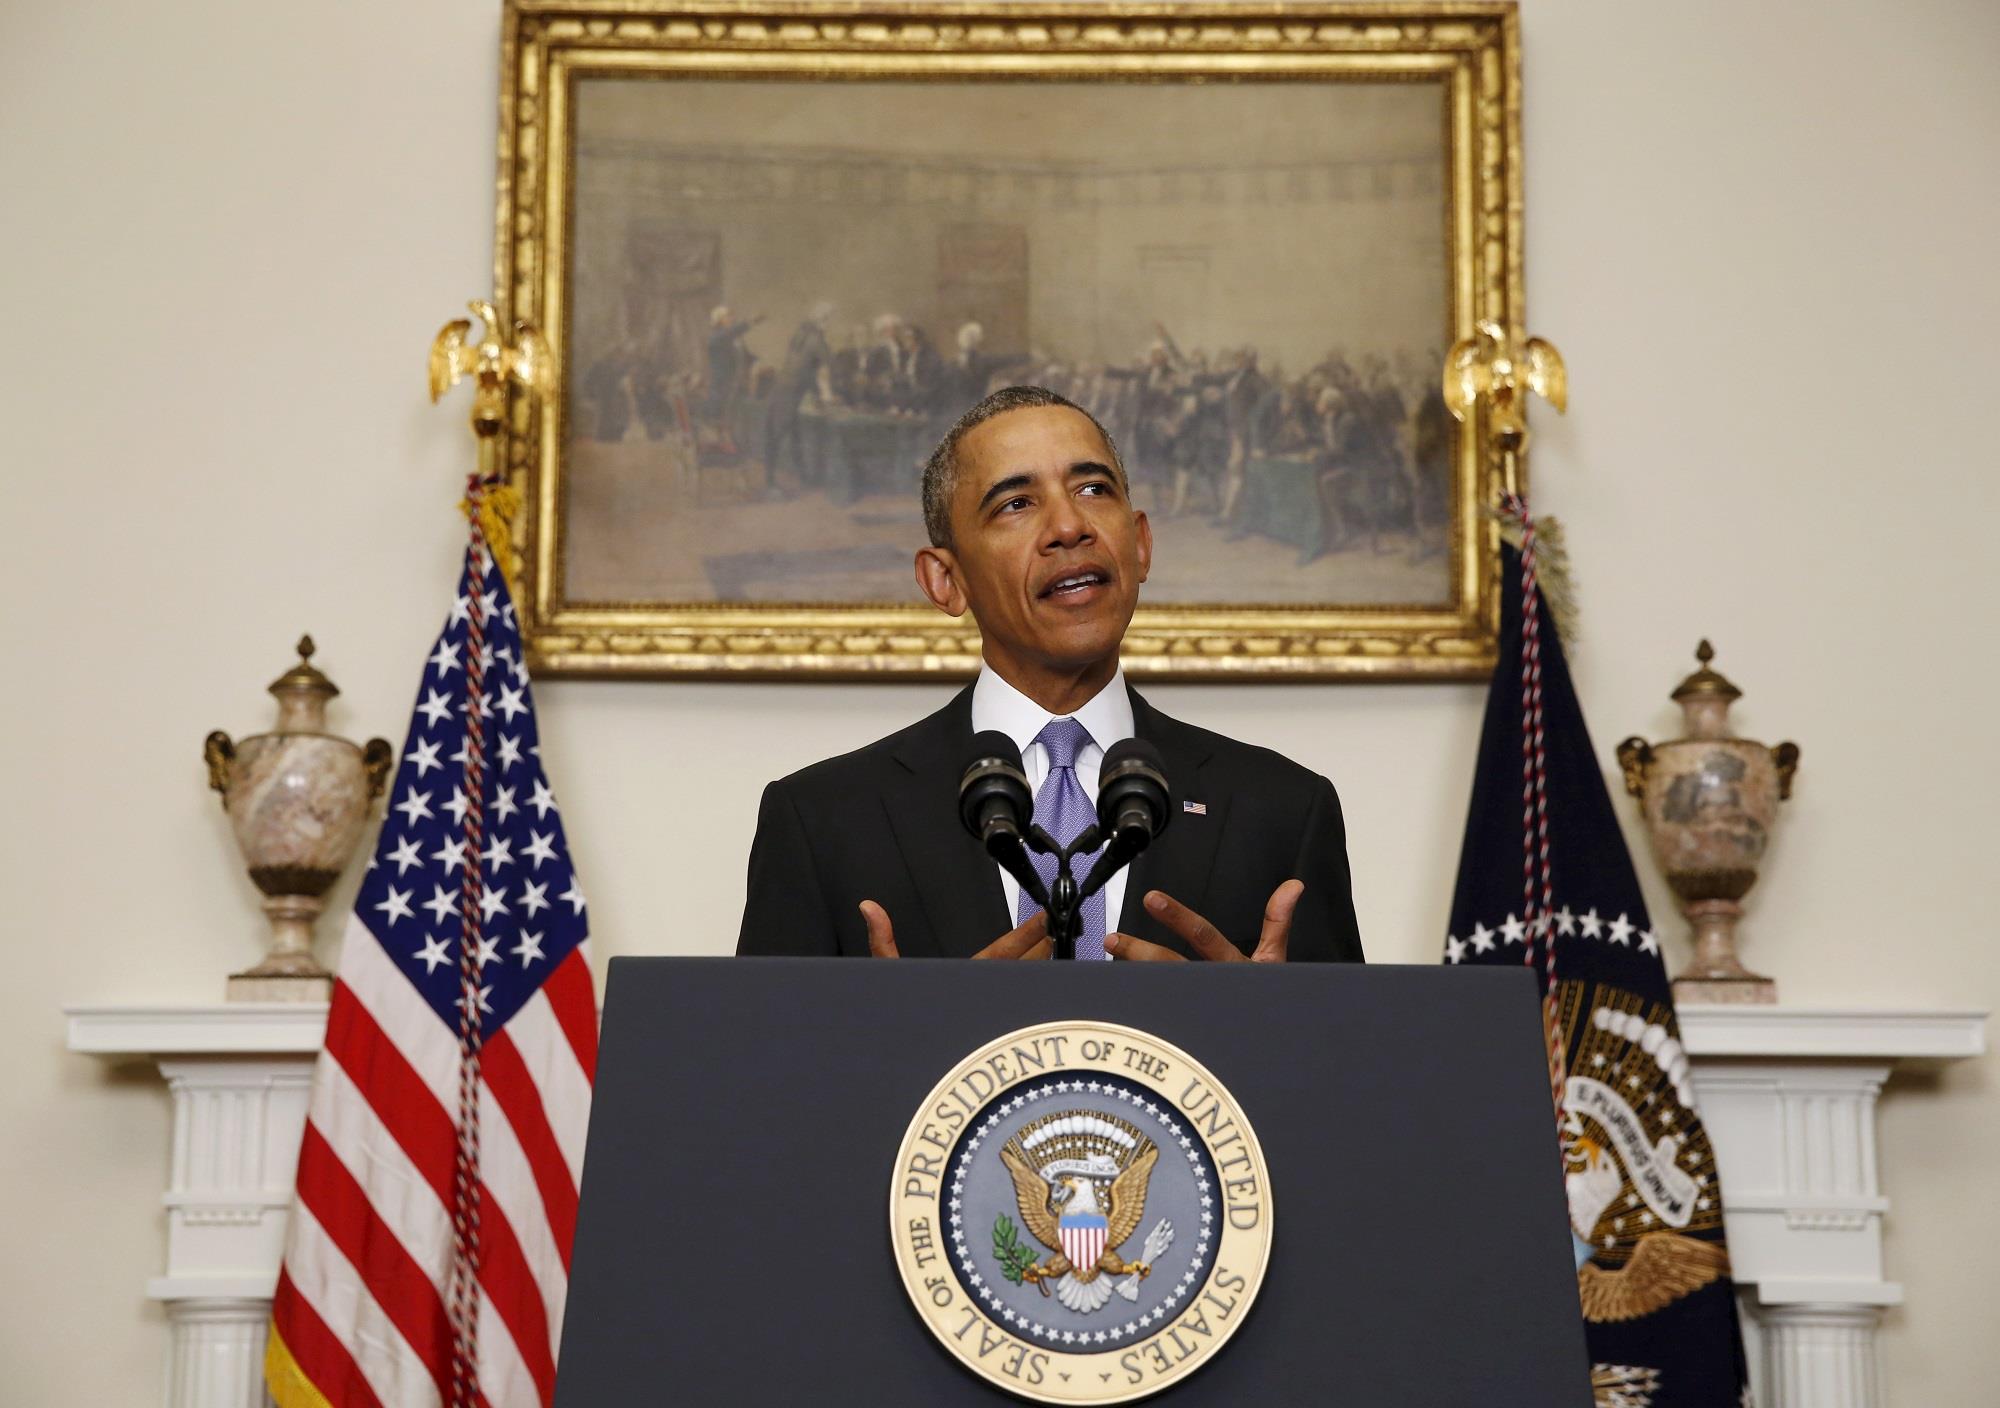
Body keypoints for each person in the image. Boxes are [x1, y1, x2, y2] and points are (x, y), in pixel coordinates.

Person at [736, 384, 1365, 964]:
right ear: (945, 580)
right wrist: (908, 1036)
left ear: (1140, 544)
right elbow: (762, 1078)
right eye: (1016, 503)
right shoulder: (823, 822)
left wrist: (1260, 1029)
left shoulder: (1283, 810)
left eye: (1093, 490)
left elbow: (1350, 1076)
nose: (1069, 528)